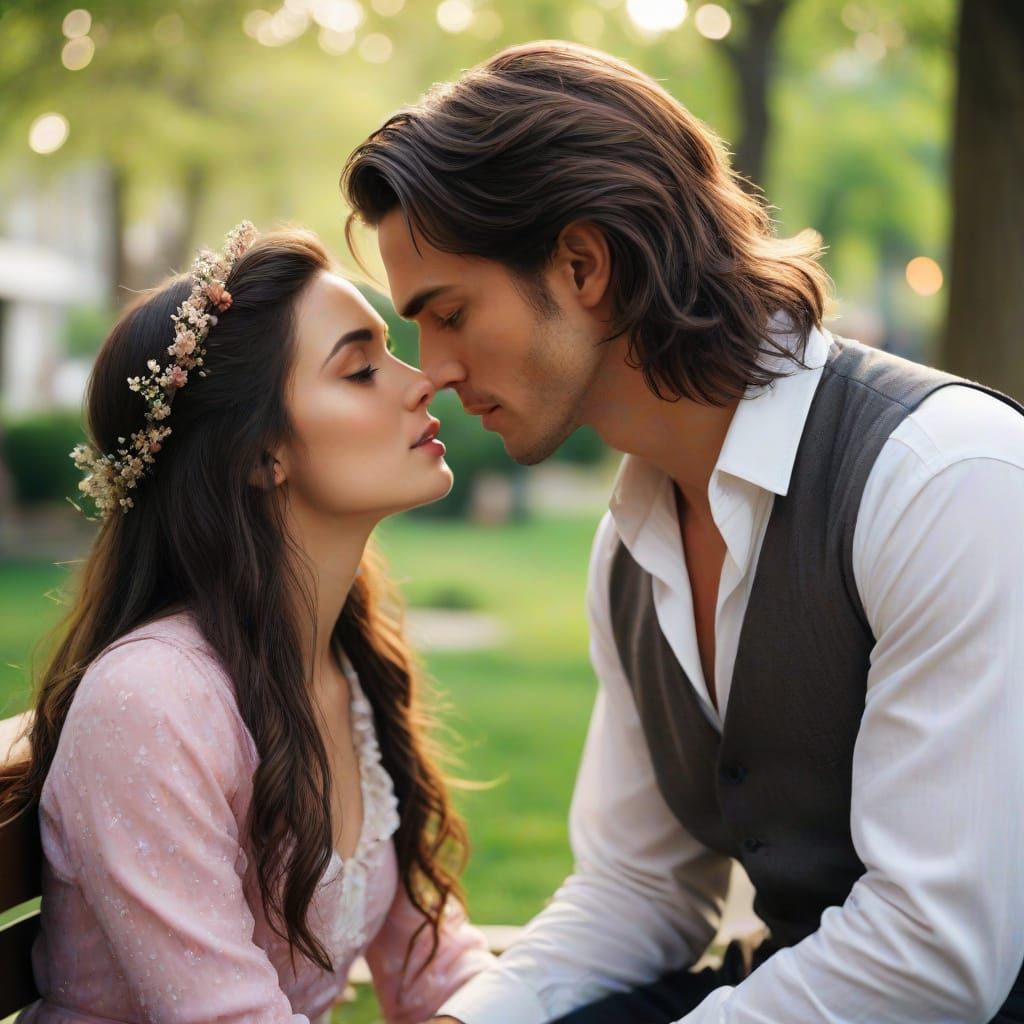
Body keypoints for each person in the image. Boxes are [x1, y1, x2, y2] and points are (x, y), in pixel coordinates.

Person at [341, 41, 1024, 1024]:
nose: (432, 368)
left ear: (582, 264)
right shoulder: (630, 549)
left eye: (448, 313)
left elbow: (933, 955)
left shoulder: (945, 480)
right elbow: (640, 889)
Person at [4, 223, 494, 1024]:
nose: (422, 380)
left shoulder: (343, 664)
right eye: (363, 368)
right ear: (260, 455)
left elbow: (435, 970)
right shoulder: (154, 702)